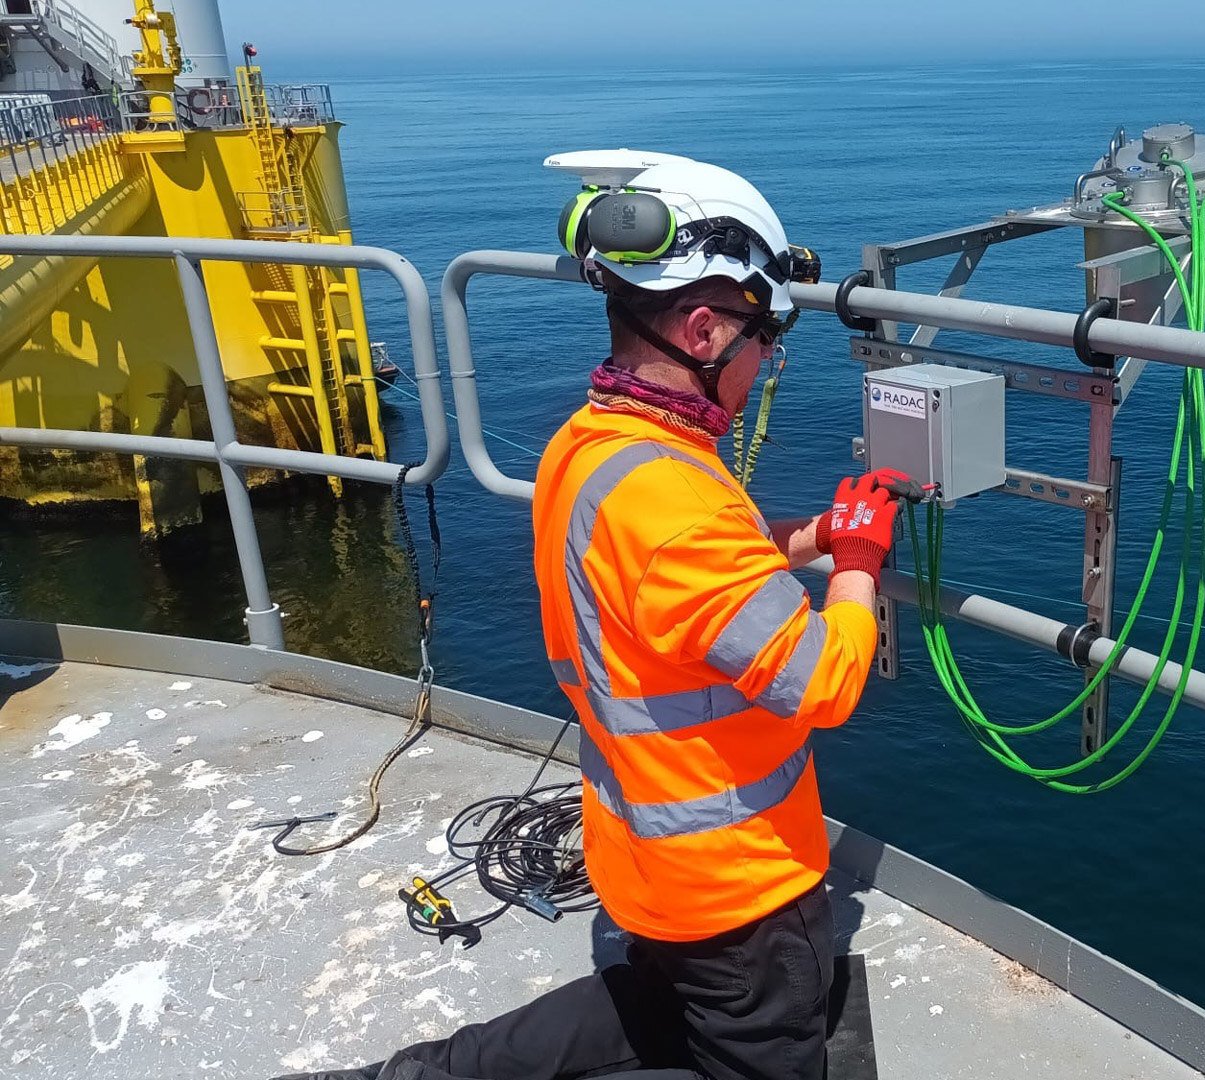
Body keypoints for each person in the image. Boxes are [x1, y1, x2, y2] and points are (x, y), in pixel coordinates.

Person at [277, 152, 907, 1080]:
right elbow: (823, 680)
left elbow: (677, 589)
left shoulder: (592, 446)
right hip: (735, 891)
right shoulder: (684, 503)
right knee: (745, 1037)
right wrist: (858, 560)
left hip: (638, 855)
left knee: (651, 1011)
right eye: (765, 338)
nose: (766, 362)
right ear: (704, 329)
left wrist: (809, 536)